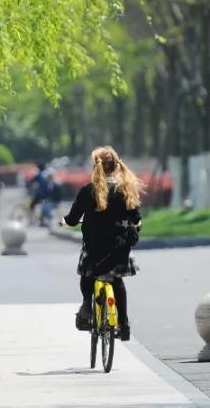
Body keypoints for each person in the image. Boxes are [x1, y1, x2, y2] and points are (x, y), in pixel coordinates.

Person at [62, 146, 141, 341]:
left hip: (94, 247)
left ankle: (87, 305)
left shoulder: (88, 191)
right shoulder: (125, 190)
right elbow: (136, 217)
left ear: (94, 166)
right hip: (119, 249)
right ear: (116, 165)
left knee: (87, 275)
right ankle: (123, 325)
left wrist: (65, 222)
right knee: (117, 282)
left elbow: (72, 219)